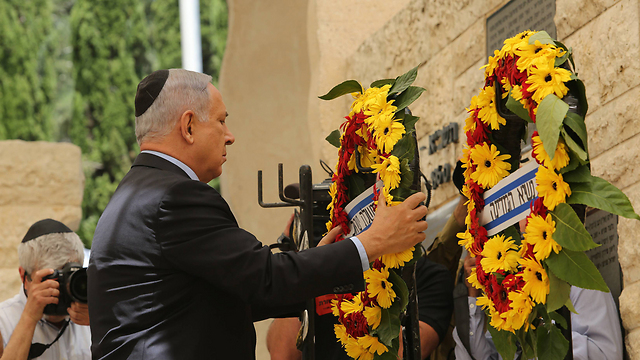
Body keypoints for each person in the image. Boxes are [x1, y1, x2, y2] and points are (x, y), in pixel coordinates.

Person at [87, 69, 429, 360]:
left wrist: (325, 262)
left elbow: (228, 296)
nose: (230, 136)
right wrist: (373, 241)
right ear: (188, 126)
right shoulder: (175, 196)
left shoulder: (132, 196)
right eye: (221, 121)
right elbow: (263, 279)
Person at [266, 255, 454, 360]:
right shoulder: (328, 271)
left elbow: (406, 353)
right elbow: (282, 354)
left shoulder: (429, 276)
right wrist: (303, 267)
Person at [453, 254, 624, 360]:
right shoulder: (508, 299)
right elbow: (478, 355)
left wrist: (541, 329)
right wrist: (472, 294)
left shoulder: (578, 281)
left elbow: (607, 355)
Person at [0, 219, 91, 360]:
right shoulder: (3, 321)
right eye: (51, 280)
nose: (59, 290)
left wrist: (99, 325)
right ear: (24, 276)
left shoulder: (90, 318)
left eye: (67, 278)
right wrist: (29, 318)